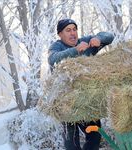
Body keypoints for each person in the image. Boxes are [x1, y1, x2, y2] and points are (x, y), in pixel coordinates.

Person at [48, 18, 114, 150]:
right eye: (68, 30)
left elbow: (110, 36)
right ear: (60, 34)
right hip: (66, 104)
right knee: (72, 145)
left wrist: (99, 39)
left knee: (95, 137)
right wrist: (76, 50)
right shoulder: (56, 46)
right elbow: (53, 59)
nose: (73, 33)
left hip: (87, 101)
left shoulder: (85, 42)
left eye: (74, 29)